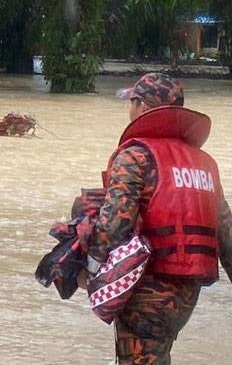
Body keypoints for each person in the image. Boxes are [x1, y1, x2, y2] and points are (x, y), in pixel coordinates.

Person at [86, 73, 232, 364]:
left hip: (147, 292)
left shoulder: (136, 156)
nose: (129, 110)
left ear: (142, 107)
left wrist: (90, 269)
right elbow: (226, 232)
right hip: (186, 295)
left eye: (131, 102)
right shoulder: (204, 164)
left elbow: (115, 223)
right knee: (158, 355)